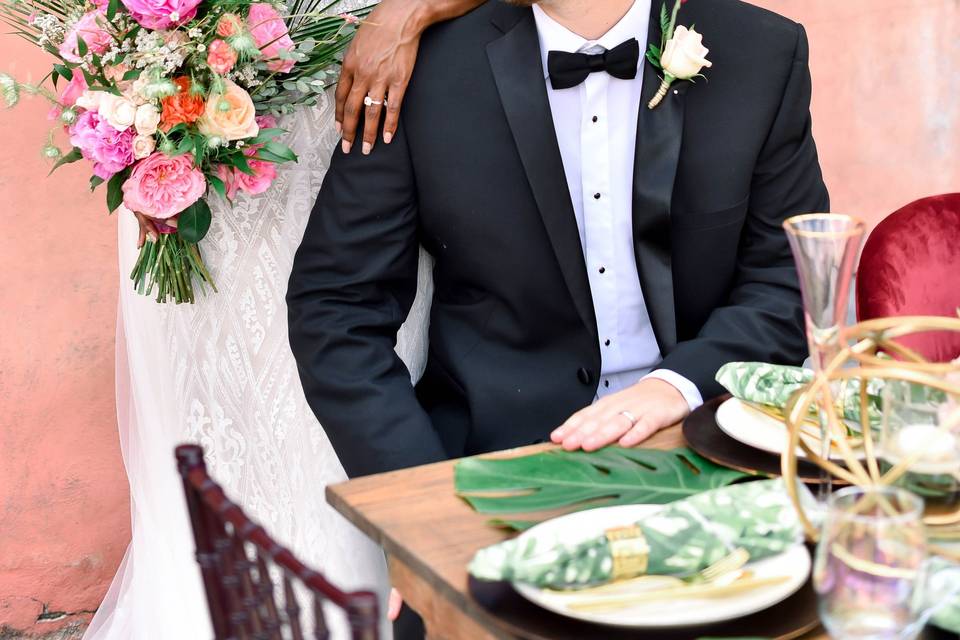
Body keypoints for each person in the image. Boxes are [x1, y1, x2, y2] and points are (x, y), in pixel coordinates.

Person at [288, 0, 827, 634]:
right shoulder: (421, 70)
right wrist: (423, 508)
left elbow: (784, 279)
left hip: (711, 456)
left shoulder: (761, 50)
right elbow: (336, 306)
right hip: (488, 478)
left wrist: (676, 385)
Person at [86, 1, 482, 638]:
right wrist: (134, 85)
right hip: (195, 131)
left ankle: (378, 594)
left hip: (360, 115)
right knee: (220, 396)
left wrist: (411, 12)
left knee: (355, 359)